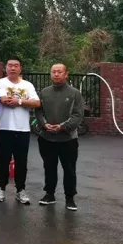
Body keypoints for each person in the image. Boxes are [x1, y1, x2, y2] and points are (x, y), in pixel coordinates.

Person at [36, 64, 84, 211]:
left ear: (66, 74)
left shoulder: (74, 93)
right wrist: (44, 125)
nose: (56, 74)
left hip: (68, 139)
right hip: (47, 138)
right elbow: (39, 112)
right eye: (54, 72)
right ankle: (49, 194)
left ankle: (70, 198)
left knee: (69, 169)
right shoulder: (44, 92)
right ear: (50, 74)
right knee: (49, 167)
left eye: (59, 72)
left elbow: (78, 115)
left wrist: (62, 126)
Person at [0, 56, 41, 204]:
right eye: (10, 65)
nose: (12, 68)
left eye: (16, 65)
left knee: (21, 162)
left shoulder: (28, 85)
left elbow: (37, 103)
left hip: (23, 129)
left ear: (20, 68)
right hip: (4, 128)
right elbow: (3, 100)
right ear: (5, 68)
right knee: (3, 160)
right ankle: (0, 188)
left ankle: (20, 190)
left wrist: (19, 101)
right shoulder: (0, 82)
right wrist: (24, 102)